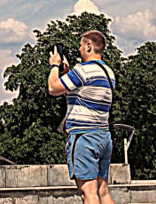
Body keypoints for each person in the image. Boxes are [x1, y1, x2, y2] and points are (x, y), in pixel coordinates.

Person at [48, 30, 117, 204]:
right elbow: (84, 91)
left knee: (89, 193)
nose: (79, 49)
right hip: (103, 136)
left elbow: (53, 88)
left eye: (81, 45)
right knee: (103, 191)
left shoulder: (83, 71)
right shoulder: (108, 72)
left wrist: (55, 66)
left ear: (88, 46)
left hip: (84, 137)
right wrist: (69, 72)